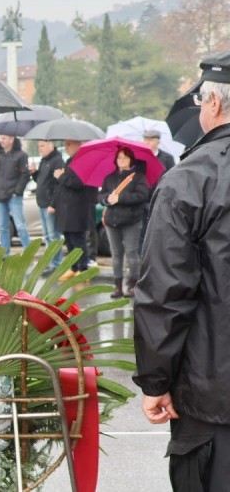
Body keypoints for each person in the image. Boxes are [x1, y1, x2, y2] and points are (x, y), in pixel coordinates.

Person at [134, 53, 230, 489]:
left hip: (213, 399)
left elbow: (165, 293)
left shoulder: (190, 179)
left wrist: (155, 381)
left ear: (212, 103)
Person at [97, 147, 148, 298]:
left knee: (132, 253)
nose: (122, 161)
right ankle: (117, 286)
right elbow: (100, 195)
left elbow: (142, 195)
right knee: (116, 254)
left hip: (131, 220)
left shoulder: (138, 177)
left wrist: (121, 198)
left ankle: (133, 285)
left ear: (131, 160)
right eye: (119, 158)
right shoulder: (110, 178)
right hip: (112, 221)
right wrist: (107, 199)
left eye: (125, 158)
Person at [50, 139, 98, 280]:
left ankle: (83, 269)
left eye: (69, 144)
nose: (66, 147)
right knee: (69, 239)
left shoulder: (83, 161)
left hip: (77, 207)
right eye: (65, 144)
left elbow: (78, 183)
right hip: (66, 206)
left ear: (78, 145)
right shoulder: (70, 161)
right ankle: (74, 267)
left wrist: (62, 176)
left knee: (78, 240)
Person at [0, 134, 30, 255]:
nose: (1, 140)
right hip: (0, 196)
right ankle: (5, 255)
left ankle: (28, 252)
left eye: (4, 138)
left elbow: (25, 175)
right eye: (1, 138)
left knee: (20, 225)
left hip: (13, 196)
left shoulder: (21, 155)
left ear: (12, 140)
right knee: (2, 227)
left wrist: (17, 191)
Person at [29, 139, 65, 275]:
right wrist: (34, 172)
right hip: (42, 203)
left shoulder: (57, 160)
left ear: (51, 145)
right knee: (47, 236)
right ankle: (51, 263)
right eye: (39, 146)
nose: (40, 148)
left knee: (53, 236)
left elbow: (58, 185)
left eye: (42, 146)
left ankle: (56, 264)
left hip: (50, 204)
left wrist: (53, 204)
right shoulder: (44, 160)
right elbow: (41, 180)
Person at [138, 129, 176, 251]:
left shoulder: (167, 158)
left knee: (157, 231)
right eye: (145, 140)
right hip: (142, 199)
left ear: (157, 142)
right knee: (141, 234)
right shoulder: (139, 158)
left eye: (150, 140)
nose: (147, 142)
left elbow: (172, 177)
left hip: (160, 199)